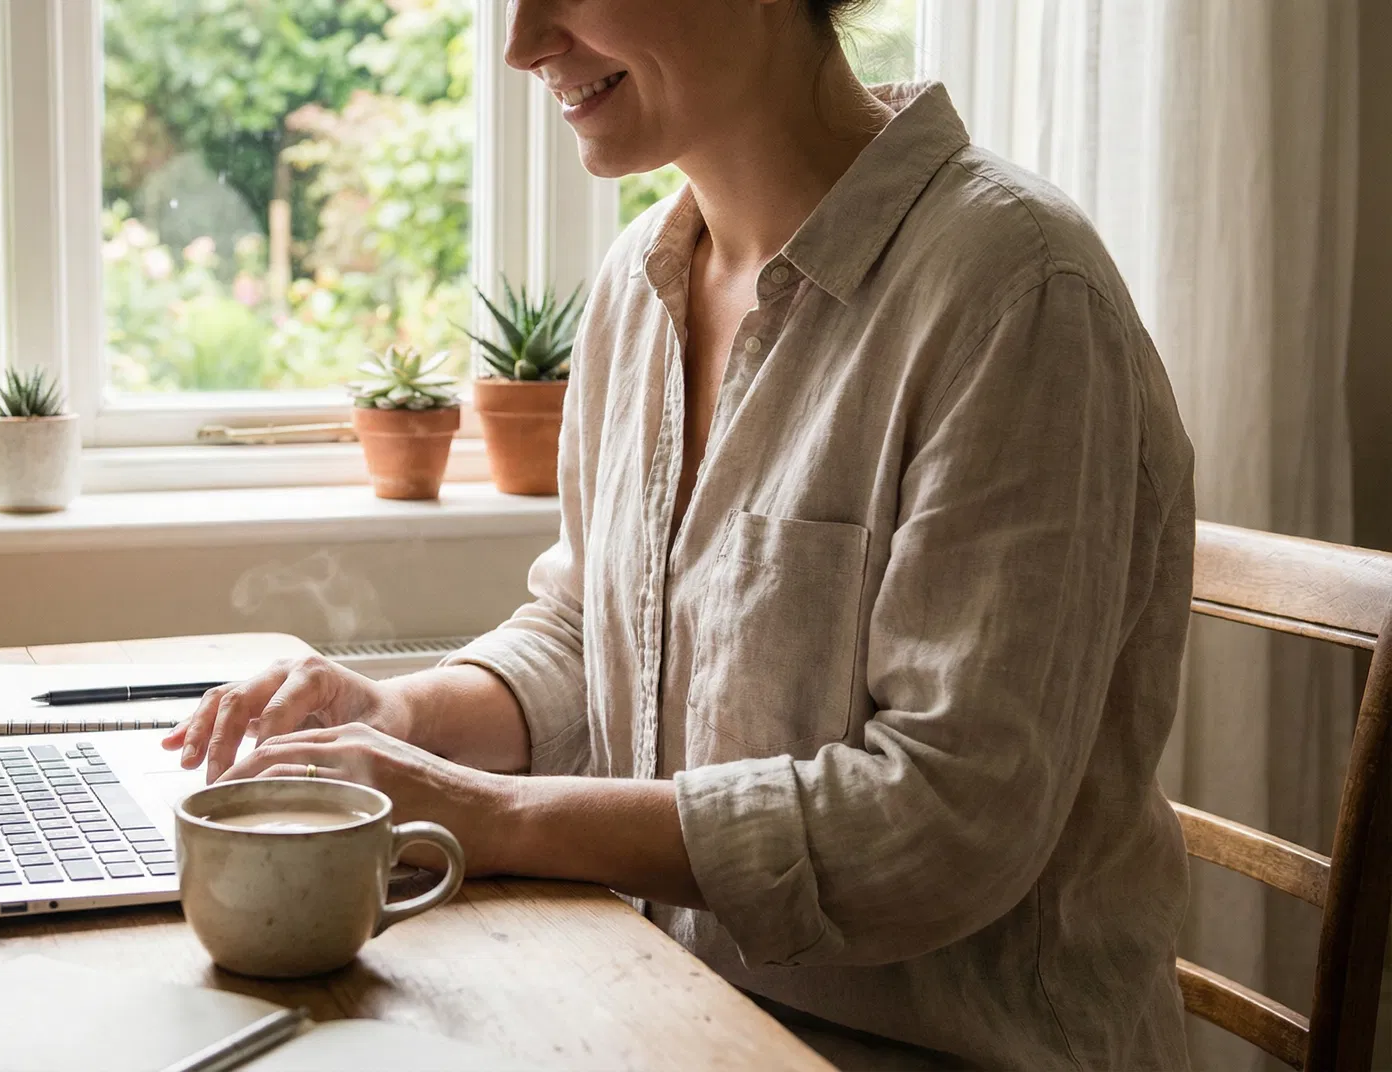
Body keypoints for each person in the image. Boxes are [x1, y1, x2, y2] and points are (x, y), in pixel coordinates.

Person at [165, 0, 1195, 1067]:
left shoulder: (1017, 292)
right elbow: (589, 632)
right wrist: (404, 713)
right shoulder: (636, 283)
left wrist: (494, 815)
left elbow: (942, 823)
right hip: (665, 1008)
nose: (521, 45)